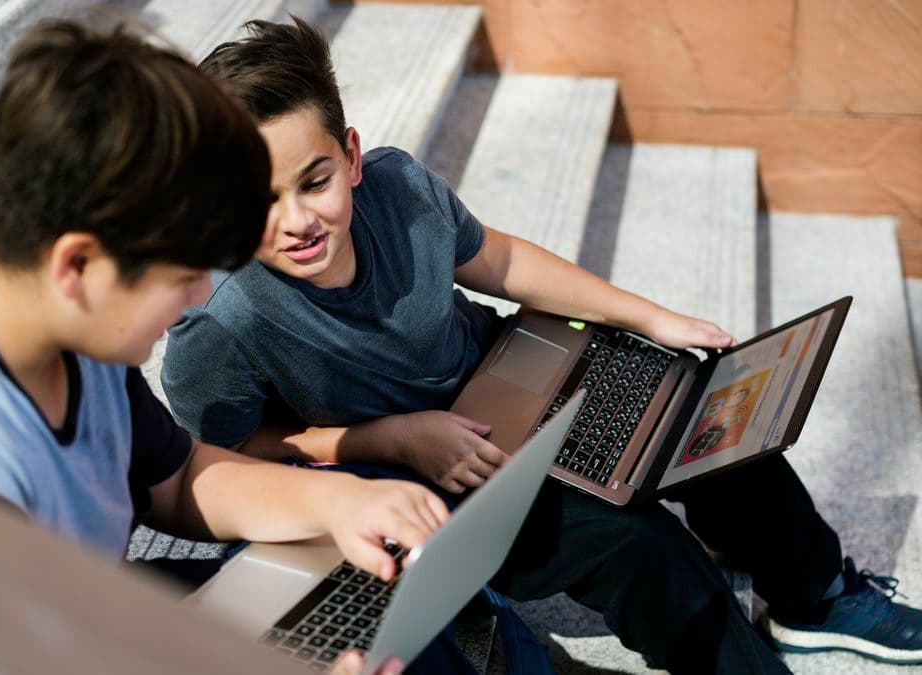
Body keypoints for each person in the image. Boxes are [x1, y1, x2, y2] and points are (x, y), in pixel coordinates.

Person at [160, 16, 922, 672]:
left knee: (703, 413)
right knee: (643, 549)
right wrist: (391, 436)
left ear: (351, 157)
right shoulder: (219, 319)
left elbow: (499, 258)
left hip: (513, 370)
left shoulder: (396, 187)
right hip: (433, 481)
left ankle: (815, 596)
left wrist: (649, 317)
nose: (295, 219)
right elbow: (225, 458)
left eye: (313, 179)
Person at [0, 18, 447, 675]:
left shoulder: (51, 321)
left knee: (362, 604)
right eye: (183, 272)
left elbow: (178, 478)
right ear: (77, 266)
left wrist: (339, 501)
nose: (200, 296)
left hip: (82, 618)